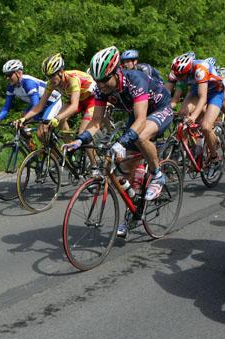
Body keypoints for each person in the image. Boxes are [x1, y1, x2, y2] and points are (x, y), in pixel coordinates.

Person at [64, 46, 173, 237]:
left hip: (158, 109)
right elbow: (96, 122)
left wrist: (121, 143)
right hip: (136, 113)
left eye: (105, 80)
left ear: (116, 72)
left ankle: (157, 175)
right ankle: (133, 211)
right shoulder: (101, 89)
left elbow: (141, 120)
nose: (101, 85)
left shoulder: (135, 80)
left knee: (140, 136)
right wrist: (80, 140)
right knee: (125, 167)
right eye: (98, 81)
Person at [15, 53, 100, 139]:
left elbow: (74, 106)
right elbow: (40, 105)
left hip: (92, 99)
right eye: (48, 76)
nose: (50, 79)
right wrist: (24, 118)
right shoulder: (51, 83)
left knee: (82, 134)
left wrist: (57, 118)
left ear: (61, 72)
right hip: (78, 99)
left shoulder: (72, 79)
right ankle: (69, 145)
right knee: (61, 121)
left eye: (52, 76)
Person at [170, 52, 225, 172]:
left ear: (189, 69)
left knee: (205, 126)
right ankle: (190, 150)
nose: (180, 79)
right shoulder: (178, 72)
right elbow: (176, 96)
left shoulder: (200, 69)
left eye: (182, 76)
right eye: (177, 76)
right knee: (182, 115)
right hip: (197, 90)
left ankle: (214, 157)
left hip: (215, 92)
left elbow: (203, 97)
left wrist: (194, 116)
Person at [0, 60, 62, 128]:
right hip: (40, 105)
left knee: (43, 130)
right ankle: (28, 139)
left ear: (18, 73)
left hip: (52, 102)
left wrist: (25, 120)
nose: (7, 78)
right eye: (6, 75)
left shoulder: (28, 83)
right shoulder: (11, 87)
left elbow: (35, 104)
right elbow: (6, 106)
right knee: (21, 123)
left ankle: (65, 137)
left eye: (9, 75)